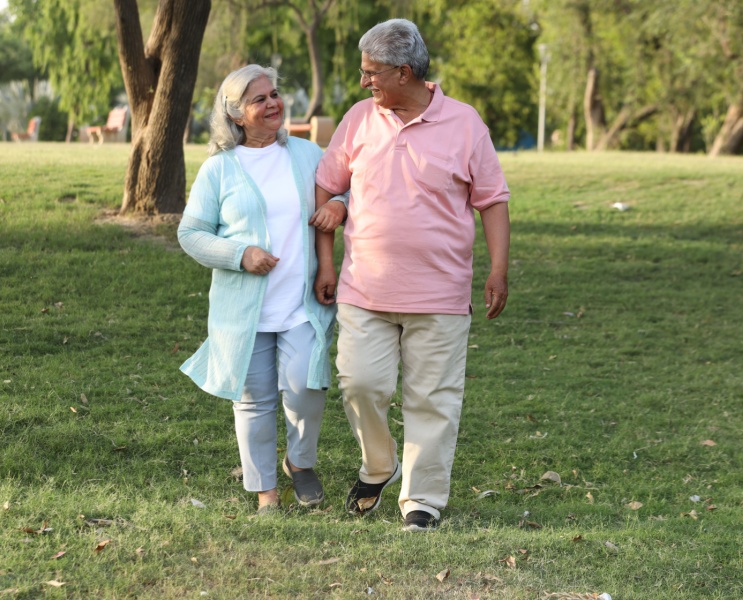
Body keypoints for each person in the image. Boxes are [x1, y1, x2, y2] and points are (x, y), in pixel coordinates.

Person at [310, 19, 511, 532]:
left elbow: (492, 201)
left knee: (433, 399)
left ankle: (422, 499)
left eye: (372, 73)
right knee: (360, 383)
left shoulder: (466, 124)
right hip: (364, 289)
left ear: (405, 72)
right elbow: (327, 187)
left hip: (440, 294)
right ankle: (379, 465)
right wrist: (328, 259)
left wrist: (499, 269)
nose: (364, 83)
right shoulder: (358, 120)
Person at [177, 64, 339, 514]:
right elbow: (191, 234)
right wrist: (240, 254)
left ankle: (299, 464)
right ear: (236, 115)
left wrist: (340, 207)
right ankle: (266, 490)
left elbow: (345, 192)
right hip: (242, 313)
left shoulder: (308, 154)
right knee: (253, 402)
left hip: (299, 304)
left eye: (274, 95)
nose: (273, 104)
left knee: (306, 388)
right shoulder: (219, 170)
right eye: (259, 100)